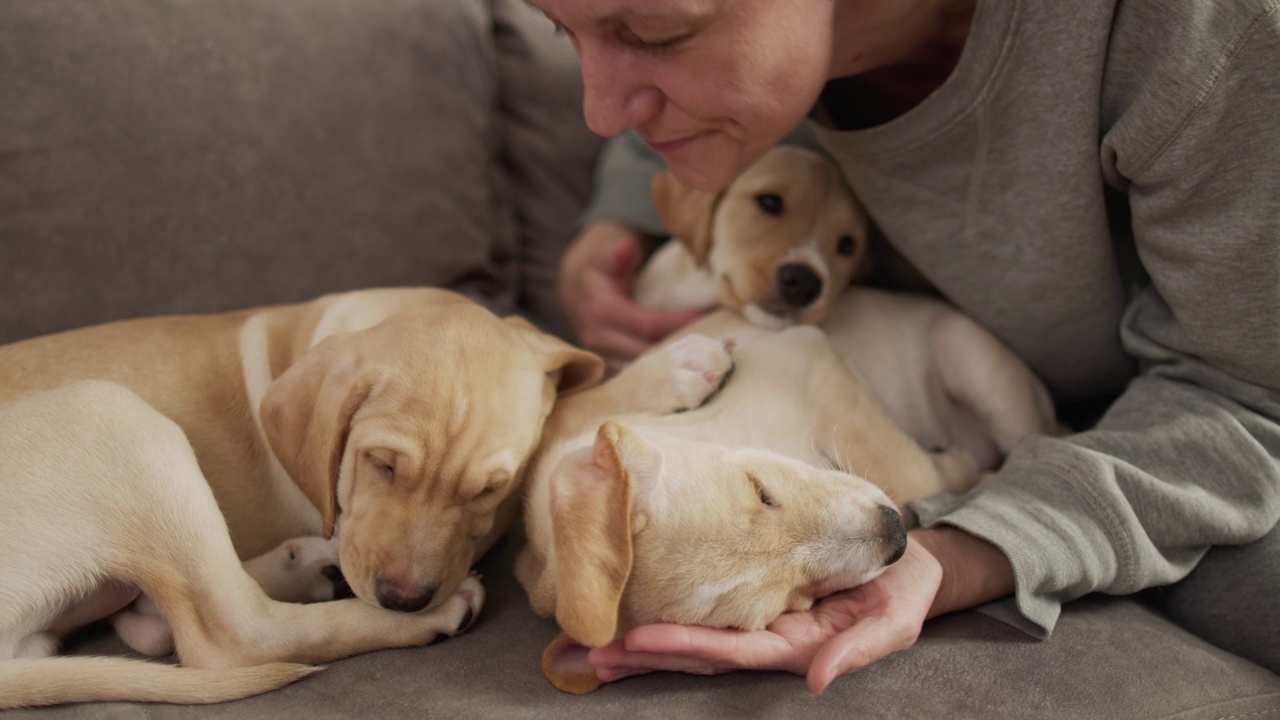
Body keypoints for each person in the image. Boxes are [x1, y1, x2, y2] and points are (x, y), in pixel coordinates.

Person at [531, 0, 1280, 691]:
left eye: (658, 33)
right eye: (564, 28)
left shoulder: (1205, 38)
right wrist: (621, 221)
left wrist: (962, 552)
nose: (599, 110)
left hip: (1188, 424)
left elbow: (1246, 397)